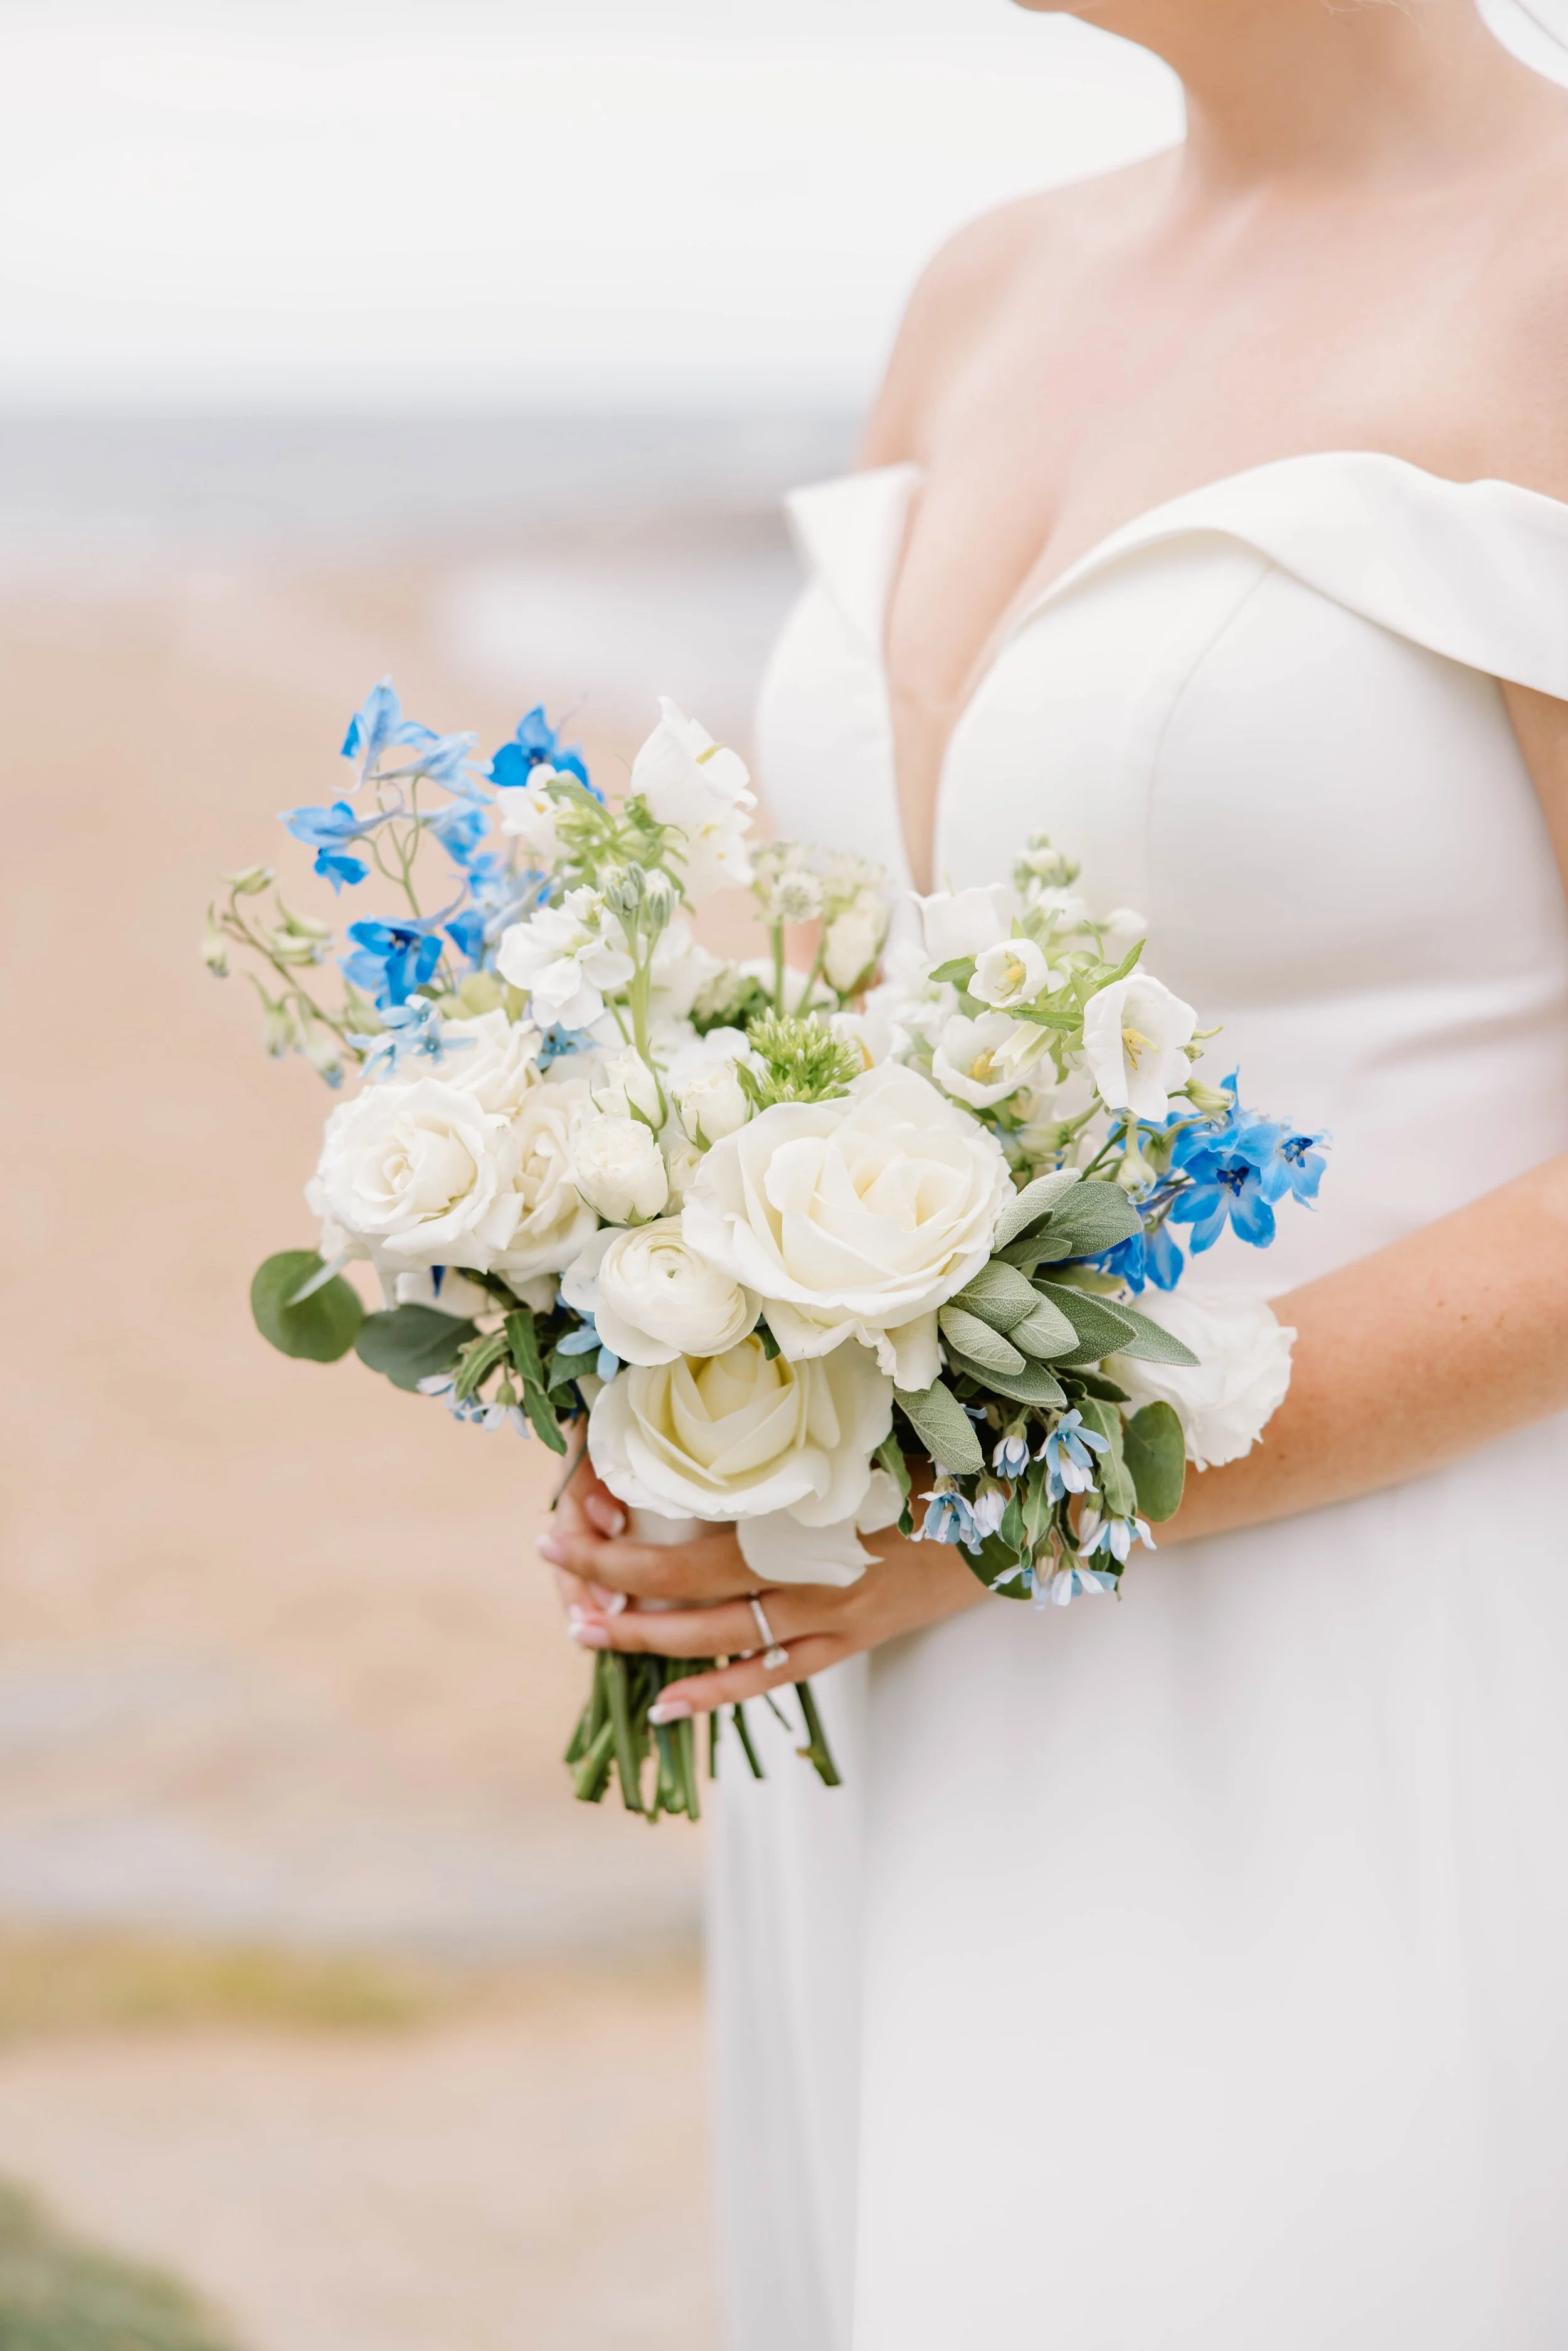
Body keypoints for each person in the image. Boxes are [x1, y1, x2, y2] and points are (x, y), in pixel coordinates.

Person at [538, 3, 1568, 2342]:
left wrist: (1019, 1499)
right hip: (900, 1692)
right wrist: (671, 1370)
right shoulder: (986, 284)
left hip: (1375, 1661)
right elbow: (862, 992)